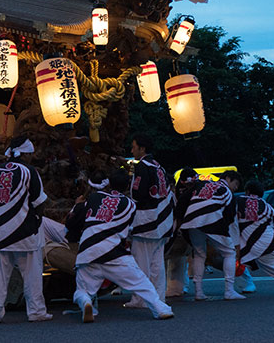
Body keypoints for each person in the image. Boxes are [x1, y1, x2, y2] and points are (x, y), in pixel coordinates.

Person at [66, 169, 173, 323]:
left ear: (110, 183)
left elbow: (74, 221)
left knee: (82, 291)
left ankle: (87, 304)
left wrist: (76, 206)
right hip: (113, 252)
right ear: (128, 185)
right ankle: (161, 309)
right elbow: (128, 229)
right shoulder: (129, 204)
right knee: (141, 283)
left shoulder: (94, 197)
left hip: (87, 252)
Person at [0, 137, 52, 325]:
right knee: (32, 276)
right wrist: (37, 220)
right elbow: (40, 202)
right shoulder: (30, 171)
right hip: (24, 233)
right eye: (30, 154)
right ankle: (36, 312)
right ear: (25, 154)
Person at [175, 168, 244, 301]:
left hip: (191, 221)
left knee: (200, 254)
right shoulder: (227, 191)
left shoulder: (201, 184)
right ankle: (229, 291)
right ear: (228, 179)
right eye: (235, 184)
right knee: (229, 252)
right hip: (212, 219)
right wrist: (234, 242)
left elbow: (183, 200)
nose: (235, 188)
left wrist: (179, 222)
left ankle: (199, 292)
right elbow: (230, 218)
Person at [124, 134, 174, 308]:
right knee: (157, 264)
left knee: (141, 263)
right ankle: (158, 298)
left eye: (134, 146)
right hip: (162, 220)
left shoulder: (143, 167)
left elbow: (138, 194)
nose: (132, 150)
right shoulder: (158, 166)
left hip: (147, 222)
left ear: (142, 148)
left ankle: (140, 299)